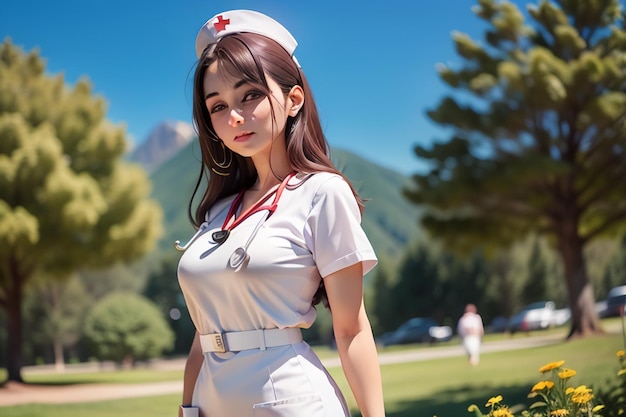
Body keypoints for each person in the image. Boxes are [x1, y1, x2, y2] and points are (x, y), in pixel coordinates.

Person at [175, 9, 386, 417]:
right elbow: (203, 336)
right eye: (217, 105)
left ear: (293, 100)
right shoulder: (218, 211)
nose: (234, 115)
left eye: (250, 94)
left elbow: (351, 329)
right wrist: (186, 408)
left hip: (289, 400)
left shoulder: (322, 194)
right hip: (209, 403)